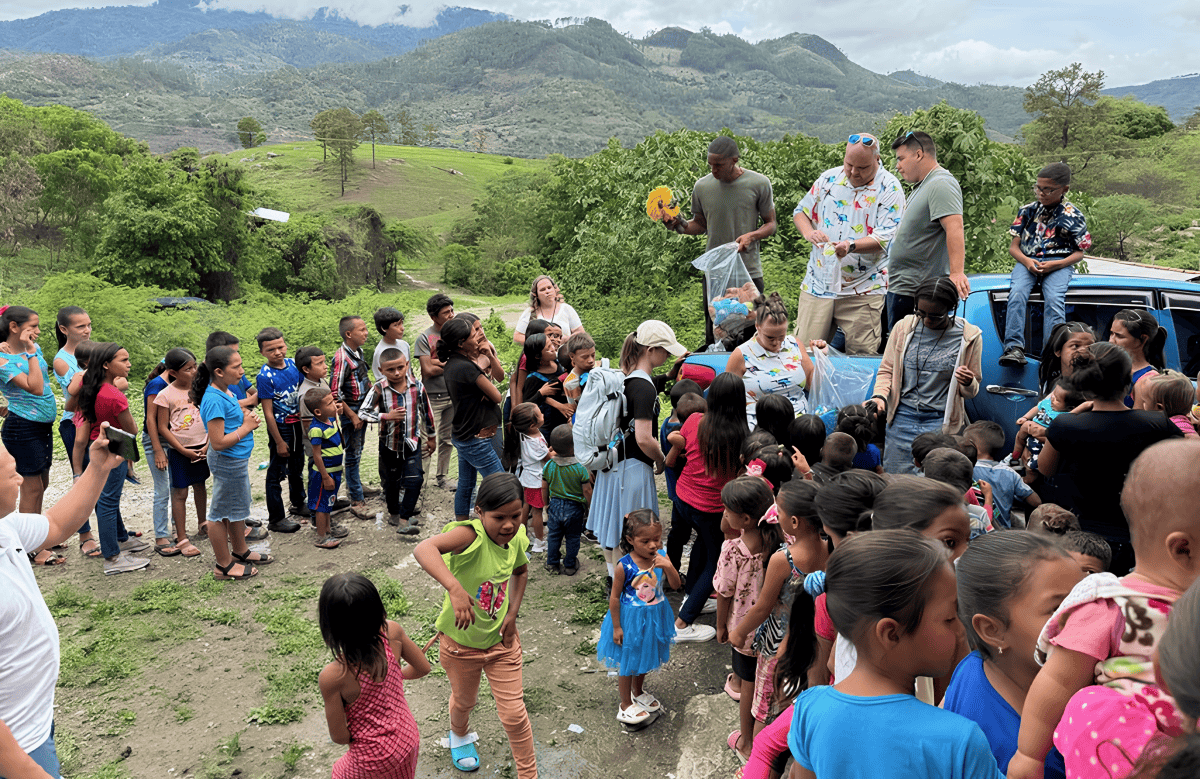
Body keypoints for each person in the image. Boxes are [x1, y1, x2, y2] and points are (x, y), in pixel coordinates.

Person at [1009, 440, 1200, 779]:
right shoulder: (1110, 604)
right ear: (1183, 549)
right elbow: (1057, 681)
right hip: (1124, 752)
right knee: (1088, 706)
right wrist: (1028, 755)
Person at [789, 530, 1002, 779]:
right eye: (949, 618)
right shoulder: (958, 742)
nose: (960, 629)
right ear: (891, 633)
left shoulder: (810, 709)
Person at [0, 422, 124, 777]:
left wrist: (98, 468)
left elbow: (56, 525)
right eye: (9, 474)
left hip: (33, 717)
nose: (21, 479)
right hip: (15, 747)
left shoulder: (5, 527)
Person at [412, 473, 534, 777]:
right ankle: (460, 735)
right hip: (460, 646)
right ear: (479, 512)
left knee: (515, 715)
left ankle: (529, 774)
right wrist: (454, 589)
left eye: (516, 516)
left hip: (502, 644)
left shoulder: (516, 537)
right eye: (499, 517)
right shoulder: (470, 535)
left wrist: (512, 614)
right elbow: (423, 549)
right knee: (464, 701)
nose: (508, 524)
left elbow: (520, 572)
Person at [1036, 342, 1182, 573]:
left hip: (1083, 540)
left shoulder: (1067, 425)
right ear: (1128, 382)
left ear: (1083, 386)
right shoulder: (1156, 423)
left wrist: (1073, 415)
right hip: (1142, 540)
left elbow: (1045, 468)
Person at [947, 532, 1084, 778]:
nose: (1088, 619)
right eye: (1057, 608)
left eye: (1086, 600)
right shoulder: (1021, 755)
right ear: (993, 630)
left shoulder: (974, 664)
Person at [729, 480, 827, 750]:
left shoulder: (784, 559)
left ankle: (755, 757)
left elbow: (762, 606)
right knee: (798, 702)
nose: (775, 515)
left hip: (777, 648)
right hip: (816, 643)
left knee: (766, 708)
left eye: (779, 512)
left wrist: (738, 632)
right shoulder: (831, 549)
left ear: (794, 522)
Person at [792, 133, 906, 354]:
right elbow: (801, 213)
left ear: (877, 159)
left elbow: (886, 237)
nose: (854, 172)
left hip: (863, 288)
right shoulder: (828, 179)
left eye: (862, 167)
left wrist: (850, 246)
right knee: (805, 354)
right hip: (818, 283)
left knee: (861, 358)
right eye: (849, 164)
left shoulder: (890, 188)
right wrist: (809, 233)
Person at [589, 321, 683, 584]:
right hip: (632, 471)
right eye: (665, 351)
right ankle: (633, 584)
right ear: (651, 350)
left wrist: (668, 375)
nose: (667, 356)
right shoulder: (644, 388)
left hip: (614, 464)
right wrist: (661, 459)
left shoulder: (626, 379)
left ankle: (613, 579)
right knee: (635, 530)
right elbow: (644, 438)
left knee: (614, 527)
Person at [663, 137, 778, 344]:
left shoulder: (759, 183)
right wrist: (679, 225)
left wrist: (752, 236)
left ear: (734, 160)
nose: (714, 170)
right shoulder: (702, 187)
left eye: (719, 165)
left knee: (753, 330)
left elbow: (771, 224)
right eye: (710, 165)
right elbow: (699, 224)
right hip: (715, 274)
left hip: (748, 272)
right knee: (717, 332)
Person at [318, 572, 430, 779]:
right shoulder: (392, 632)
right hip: (408, 737)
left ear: (330, 626)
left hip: (374, 757)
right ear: (378, 610)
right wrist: (394, 677)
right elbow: (423, 668)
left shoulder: (333, 675)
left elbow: (339, 736)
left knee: (339, 774)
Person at [868, 276, 983, 474]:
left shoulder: (969, 337)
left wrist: (968, 381)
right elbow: (887, 370)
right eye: (921, 313)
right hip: (901, 418)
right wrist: (879, 396)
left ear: (951, 309)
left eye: (936, 315)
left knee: (932, 481)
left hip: (939, 423)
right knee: (895, 481)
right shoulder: (903, 328)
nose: (927, 320)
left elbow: (972, 391)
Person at [667, 371, 748, 643]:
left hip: (683, 497)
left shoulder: (694, 420)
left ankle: (693, 594)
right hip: (711, 507)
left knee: (703, 543)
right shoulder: (741, 436)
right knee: (715, 561)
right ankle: (682, 623)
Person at [713, 476, 782, 761]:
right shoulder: (778, 544)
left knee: (749, 685)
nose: (724, 515)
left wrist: (720, 626)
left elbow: (723, 593)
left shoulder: (733, 550)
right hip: (773, 631)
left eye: (727, 510)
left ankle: (746, 742)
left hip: (743, 631)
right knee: (768, 685)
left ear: (744, 519)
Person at [999, 163, 1092, 367]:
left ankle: (1051, 353)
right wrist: (1026, 261)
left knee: (1054, 300)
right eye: (1038, 188)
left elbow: (1079, 253)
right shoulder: (1027, 211)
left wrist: (1056, 266)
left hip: (1059, 263)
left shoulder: (1073, 216)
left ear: (1064, 189)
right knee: (1017, 294)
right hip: (1027, 260)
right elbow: (1013, 248)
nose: (1041, 193)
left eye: (1048, 189)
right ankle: (1014, 347)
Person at [596, 509, 681, 727]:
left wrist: (669, 567)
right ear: (630, 540)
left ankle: (638, 691)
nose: (653, 545)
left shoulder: (661, 557)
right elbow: (614, 597)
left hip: (655, 616)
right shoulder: (624, 565)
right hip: (630, 619)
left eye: (657, 538)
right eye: (646, 541)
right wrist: (616, 627)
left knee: (645, 655)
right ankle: (625, 704)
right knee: (628, 660)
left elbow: (676, 586)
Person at [71, 342, 150, 575]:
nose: (129, 364)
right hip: (112, 450)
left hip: (96, 447)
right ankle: (112, 556)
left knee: (106, 498)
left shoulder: (91, 387)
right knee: (108, 502)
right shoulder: (114, 396)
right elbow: (132, 429)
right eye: (123, 360)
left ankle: (121, 538)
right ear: (106, 365)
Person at [194, 346, 271, 580]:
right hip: (227, 462)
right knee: (218, 514)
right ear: (218, 371)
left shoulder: (225, 392)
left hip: (235, 462)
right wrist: (246, 427)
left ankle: (240, 550)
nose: (241, 371)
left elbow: (225, 424)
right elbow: (217, 442)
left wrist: (244, 416)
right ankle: (224, 565)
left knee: (236, 509)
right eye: (236, 367)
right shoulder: (214, 399)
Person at [886, 131, 968, 330]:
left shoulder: (941, 183)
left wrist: (957, 273)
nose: (898, 166)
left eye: (901, 158)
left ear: (919, 154)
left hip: (917, 292)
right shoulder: (924, 185)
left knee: (907, 352)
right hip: (901, 287)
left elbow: (954, 227)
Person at [0, 307, 58, 565]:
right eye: (33, 326)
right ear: (14, 327)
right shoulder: (2, 361)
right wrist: (31, 353)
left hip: (40, 426)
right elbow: (35, 387)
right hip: (22, 428)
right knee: (31, 488)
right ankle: (30, 549)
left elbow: (42, 377)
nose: (37, 331)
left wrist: (31, 351)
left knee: (41, 484)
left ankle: (37, 537)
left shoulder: (31, 349)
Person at [358, 348, 434, 536]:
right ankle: (394, 514)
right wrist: (386, 416)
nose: (397, 373)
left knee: (415, 479)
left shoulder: (418, 386)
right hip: (389, 445)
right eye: (390, 370)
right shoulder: (378, 388)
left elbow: (427, 412)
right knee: (391, 483)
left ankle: (404, 519)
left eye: (401, 367)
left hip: (412, 442)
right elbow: (363, 412)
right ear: (381, 369)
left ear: (407, 365)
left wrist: (432, 437)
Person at [438, 318, 503, 523]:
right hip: (476, 438)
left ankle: (462, 526)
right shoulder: (466, 368)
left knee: (466, 485)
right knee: (500, 484)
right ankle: (495, 526)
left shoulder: (453, 365)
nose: (478, 336)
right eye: (473, 334)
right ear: (460, 343)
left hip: (464, 434)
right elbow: (497, 396)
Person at [726, 292, 817, 428]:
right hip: (760, 425)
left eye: (781, 336)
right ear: (757, 326)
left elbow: (812, 384)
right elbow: (728, 397)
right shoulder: (741, 354)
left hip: (799, 424)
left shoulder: (795, 344)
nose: (776, 343)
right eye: (770, 337)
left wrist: (821, 357)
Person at [51, 306, 96, 559]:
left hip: (96, 420)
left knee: (106, 478)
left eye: (89, 324)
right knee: (82, 480)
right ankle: (84, 535)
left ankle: (116, 530)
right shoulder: (61, 360)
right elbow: (78, 389)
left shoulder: (93, 351)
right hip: (76, 422)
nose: (87, 330)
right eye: (81, 326)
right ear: (64, 329)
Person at [153, 348, 206, 557]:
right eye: (188, 369)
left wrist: (208, 443)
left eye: (195, 366)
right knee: (180, 492)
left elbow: (209, 416)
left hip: (202, 446)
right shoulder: (165, 394)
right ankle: (182, 537)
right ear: (173, 372)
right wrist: (182, 449)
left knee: (200, 485)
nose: (194, 371)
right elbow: (162, 427)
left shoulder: (200, 389)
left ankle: (203, 523)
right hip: (179, 451)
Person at [256, 327, 304, 533]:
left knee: (297, 465)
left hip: (298, 425)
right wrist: (278, 441)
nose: (277, 352)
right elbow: (267, 412)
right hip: (281, 428)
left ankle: (299, 503)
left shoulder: (294, 365)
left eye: (280, 347)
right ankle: (276, 518)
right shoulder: (265, 376)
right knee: (276, 472)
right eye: (271, 349)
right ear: (262, 352)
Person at [332, 316, 377, 518]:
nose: (366, 333)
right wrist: (352, 415)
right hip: (352, 410)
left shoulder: (358, 352)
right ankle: (356, 499)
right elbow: (335, 393)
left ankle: (355, 486)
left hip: (362, 407)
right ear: (349, 334)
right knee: (352, 453)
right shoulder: (342, 358)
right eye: (362, 330)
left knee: (358, 449)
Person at [414, 294, 456, 492]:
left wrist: (439, 363)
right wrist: (451, 364)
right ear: (433, 316)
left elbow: (465, 362)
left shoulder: (456, 334)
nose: (451, 315)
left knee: (447, 439)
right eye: (445, 312)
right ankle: (420, 482)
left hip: (452, 394)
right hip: (432, 397)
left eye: (451, 310)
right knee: (427, 439)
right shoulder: (424, 338)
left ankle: (443, 476)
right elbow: (427, 371)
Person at [964, 421, 1040, 528]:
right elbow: (1036, 501)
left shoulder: (968, 470)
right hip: (1003, 532)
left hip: (978, 529)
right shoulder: (1010, 473)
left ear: (973, 446)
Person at [540, 424, 591, 576]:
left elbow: (544, 487)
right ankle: (569, 565)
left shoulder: (549, 465)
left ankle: (552, 563)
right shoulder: (580, 468)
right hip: (575, 508)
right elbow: (587, 490)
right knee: (573, 537)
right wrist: (591, 506)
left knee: (553, 536)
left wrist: (546, 505)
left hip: (554, 505)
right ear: (573, 447)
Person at [501, 402, 548, 551]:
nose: (543, 414)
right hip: (536, 481)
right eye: (540, 413)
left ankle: (520, 537)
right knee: (538, 512)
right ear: (533, 425)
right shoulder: (537, 442)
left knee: (525, 508)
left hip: (526, 478)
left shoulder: (522, 433)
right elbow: (549, 458)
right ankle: (540, 542)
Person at [305, 387, 346, 550]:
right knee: (322, 505)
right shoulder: (316, 429)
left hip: (334, 471)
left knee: (329, 502)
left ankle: (328, 530)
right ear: (317, 411)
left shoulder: (329, 420)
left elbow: (335, 414)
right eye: (330, 403)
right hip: (325, 474)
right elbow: (317, 455)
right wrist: (325, 476)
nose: (334, 405)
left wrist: (337, 411)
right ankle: (322, 537)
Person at [1109, 308, 1166, 409]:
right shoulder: (1112, 367)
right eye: (1111, 334)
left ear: (1143, 339)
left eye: (1119, 336)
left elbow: (1138, 421)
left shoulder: (1148, 379)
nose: (1111, 341)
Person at [512, 276, 583, 345]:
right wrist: (541, 343)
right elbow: (517, 337)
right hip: (539, 355)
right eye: (542, 289)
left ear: (555, 290)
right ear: (536, 295)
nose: (547, 291)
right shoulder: (530, 312)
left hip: (565, 354)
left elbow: (580, 332)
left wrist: (567, 339)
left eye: (549, 288)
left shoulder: (566, 309)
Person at [205, 331, 258, 409]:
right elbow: (220, 406)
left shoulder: (237, 371)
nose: (236, 355)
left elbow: (251, 390)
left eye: (237, 352)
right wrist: (249, 401)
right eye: (232, 353)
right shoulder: (206, 380)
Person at [1142, 370, 1199, 437]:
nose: (1143, 405)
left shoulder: (1163, 431)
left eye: (1145, 402)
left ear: (1159, 408)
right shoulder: (1187, 424)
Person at [371, 307, 411, 382]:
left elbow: (409, 372)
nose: (402, 328)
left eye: (401, 323)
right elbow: (380, 380)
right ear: (383, 328)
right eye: (396, 325)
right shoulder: (379, 352)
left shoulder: (404, 345)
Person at [561, 331, 596, 418]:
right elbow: (575, 410)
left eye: (593, 355)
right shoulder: (570, 383)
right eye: (585, 357)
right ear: (572, 356)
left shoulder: (599, 368)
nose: (591, 360)